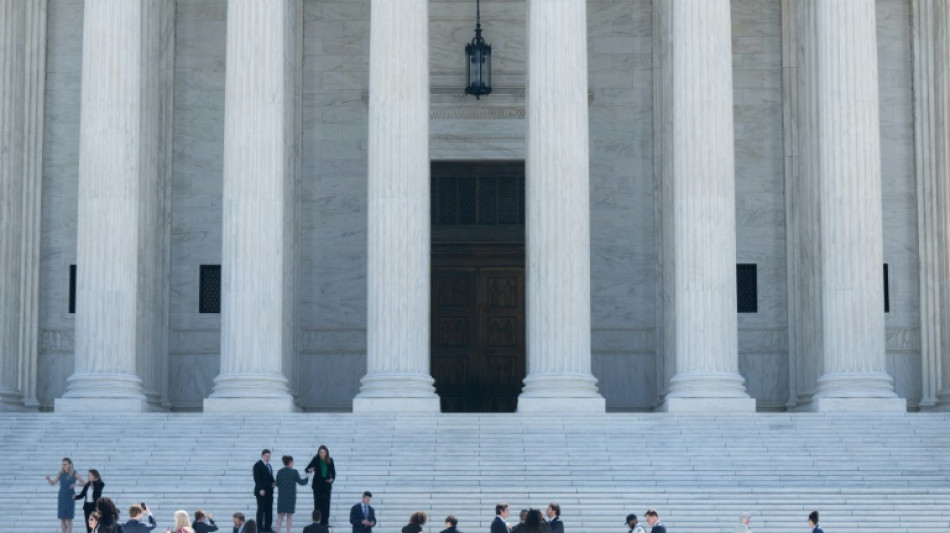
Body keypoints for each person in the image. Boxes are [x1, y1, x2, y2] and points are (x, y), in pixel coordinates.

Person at [47, 457, 84, 533]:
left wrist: (76, 484)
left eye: (65, 464)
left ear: (69, 465)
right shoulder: (61, 473)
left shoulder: (74, 473)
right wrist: (49, 480)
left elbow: (83, 482)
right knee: (63, 518)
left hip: (70, 496)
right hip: (62, 496)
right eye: (62, 464)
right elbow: (53, 483)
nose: (63, 466)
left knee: (69, 518)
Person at [275, 455, 308, 533]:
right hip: (291, 497)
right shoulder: (294, 472)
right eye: (293, 461)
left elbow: (277, 483)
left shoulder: (280, 471)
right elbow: (301, 482)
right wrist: (308, 476)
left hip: (282, 496)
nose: (293, 463)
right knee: (289, 516)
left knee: (280, 515)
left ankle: (277, 531)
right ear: (290, 462)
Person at [305, 445, 336, 527]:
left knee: (326, 503)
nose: (322, 454)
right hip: (317, 485)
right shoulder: (315, 459)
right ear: (319, 453)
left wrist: (331, 479)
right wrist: (310, 470)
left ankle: (325, 521)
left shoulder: (330, 460)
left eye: (324, 452)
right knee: (317, 503)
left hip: (326, 485)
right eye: (321, 452)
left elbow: (333, 473)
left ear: (326, 453)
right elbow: (307, 469)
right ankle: (317, 521)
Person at [253, 449, 276, 533]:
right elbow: (257, 478)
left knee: (269, 510)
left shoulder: (269, 465)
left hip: (269, 492)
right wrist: (260, 489)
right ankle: (259, 528)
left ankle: (268, 527)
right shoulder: (257, 465)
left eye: (269, 456)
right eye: (266, 456)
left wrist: (273, 482)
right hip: (261, 493)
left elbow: (270, 476)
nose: (268, 457)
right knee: (261, 510)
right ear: (262, 455)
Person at [75, 469, 105, 533]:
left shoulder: (100, 484)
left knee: (95, 524)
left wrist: (93, 482)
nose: (88, 477)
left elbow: (98, 493)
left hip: (94, 507)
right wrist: (75, 497)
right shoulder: (87, 485)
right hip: (87, 506)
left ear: (94, 476)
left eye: (89, 475)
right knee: (88, 524)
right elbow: (82, 495)